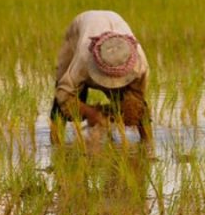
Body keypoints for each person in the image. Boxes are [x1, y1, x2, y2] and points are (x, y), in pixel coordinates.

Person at [50, 10, 152, 143]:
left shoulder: (140, 66)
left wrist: (127, 112)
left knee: (137, 109)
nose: (112, 84)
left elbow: (138, 99)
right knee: (61, 109)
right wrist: (90, 113)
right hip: (82, 28)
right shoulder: (83, 58)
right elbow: (63, 94)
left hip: (115, 20)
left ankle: (148, 144)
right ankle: (56, 145)